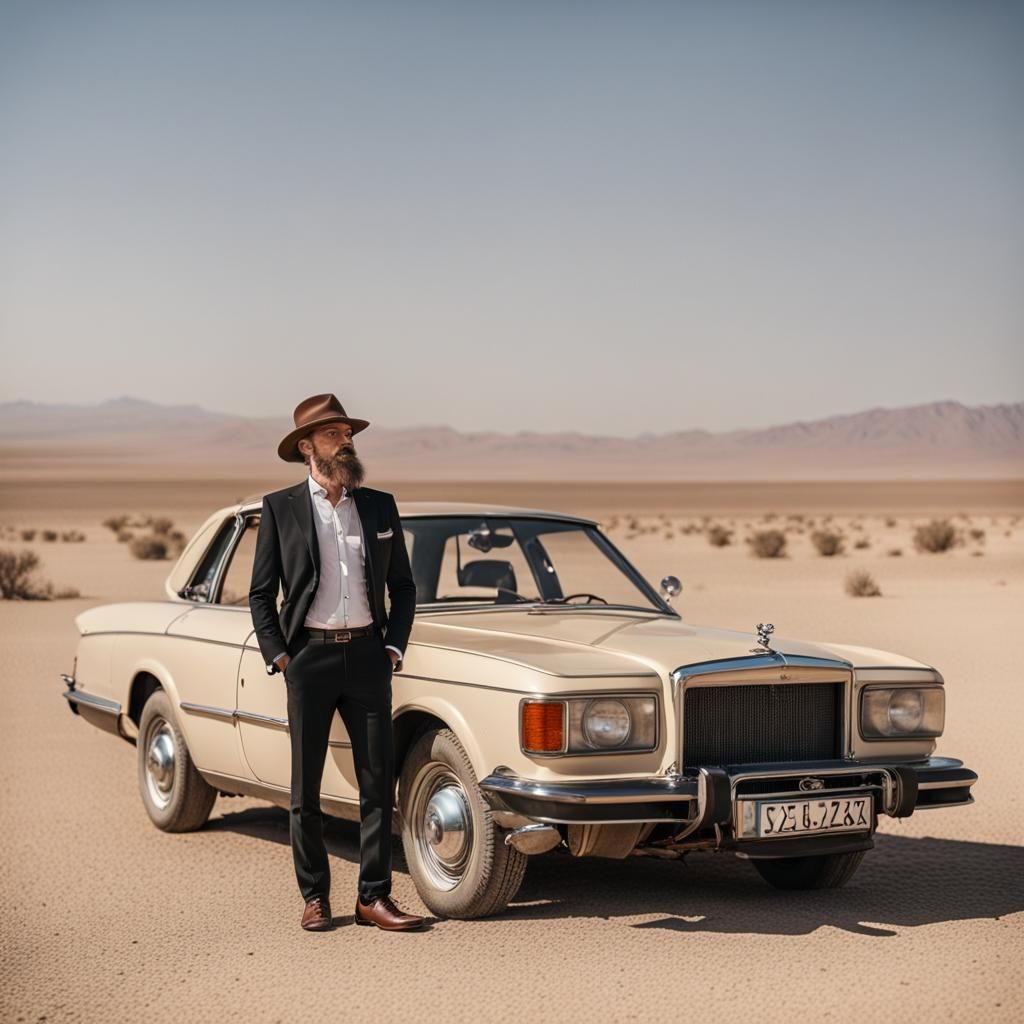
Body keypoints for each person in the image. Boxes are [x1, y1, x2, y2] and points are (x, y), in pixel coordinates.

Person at [249, 393, 425, 932]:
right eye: (333, 435)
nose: (345, 441)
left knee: (378, 783)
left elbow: (403, 587)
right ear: (307, 447)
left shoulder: (378, 506)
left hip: (370, 657)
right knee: (305, 788)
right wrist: (282, 655)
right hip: (310, 660)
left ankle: (373, 897)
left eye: (348, 434)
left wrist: (393, 646)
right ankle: (315, 896)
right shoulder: (281, 508)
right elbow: (261, 593)